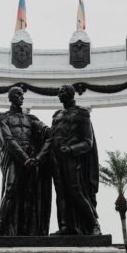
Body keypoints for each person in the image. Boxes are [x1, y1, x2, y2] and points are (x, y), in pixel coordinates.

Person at [0, 86, 52, 236]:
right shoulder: (2, 117)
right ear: (11, 97)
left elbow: (47, 132)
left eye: (22, 95)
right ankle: (1, 224)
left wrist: (38, 156)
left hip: (31, 159)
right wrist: (24, 158)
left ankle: (27, 229)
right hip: (15, 158)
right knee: (10, 188)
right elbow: (8, 140)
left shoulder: (31, 118)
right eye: (18, 94)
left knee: (30, 194)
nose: (22, 97)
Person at [48, 85, 101, 236]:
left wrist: (71, 149)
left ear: (71, 94)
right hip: (56, 159)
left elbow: (88, 142)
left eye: (63, 92)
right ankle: (65, 227)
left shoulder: (82, 113)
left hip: (73, 159)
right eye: (59, 92)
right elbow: (51, 137)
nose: (59, 94)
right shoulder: (56, 115)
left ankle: (94, 225)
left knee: (76, 191)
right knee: (61, 194)